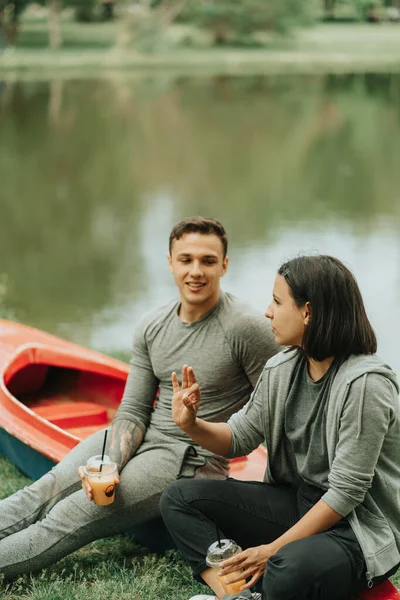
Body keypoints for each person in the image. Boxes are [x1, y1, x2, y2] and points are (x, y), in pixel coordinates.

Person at [0, 216, 279, 580]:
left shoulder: (246, 328)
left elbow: (279, 404)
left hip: (190, 459)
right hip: (141, 438)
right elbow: (132, 409)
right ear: (170, 262)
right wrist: (110, 465)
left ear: (224, 265)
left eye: (208, 261)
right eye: (186, 259)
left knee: (69, 516)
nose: (196, 271)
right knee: (42, 491)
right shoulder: (152, 324)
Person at [160, 254, 400, 600]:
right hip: (299, 503)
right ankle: (233, 594)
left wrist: (271, 549)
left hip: (357, 527)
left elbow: (346, 493)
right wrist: (192, 424)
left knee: (288, 565)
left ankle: (256, 588)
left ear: (308, 312)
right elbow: (239, 437)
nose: (268, 312)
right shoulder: (282, 368)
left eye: (276, 301)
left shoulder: (365, 383)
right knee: (180, 498)